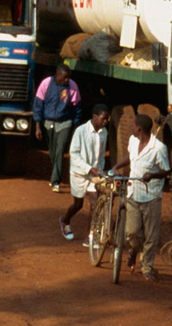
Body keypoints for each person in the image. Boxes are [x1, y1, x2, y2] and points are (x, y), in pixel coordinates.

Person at [114, 112, 169, 282]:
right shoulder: (133, 140)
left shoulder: (158, 148)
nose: (131, 127)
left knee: (151, 236)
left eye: (133, 125)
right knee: (132, 233)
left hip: (151, 196)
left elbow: (166, 170)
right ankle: (133, 251)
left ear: (139, 129)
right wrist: (116, 166)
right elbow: (130, 157)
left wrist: (152, 175)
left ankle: (147, 267)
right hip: (133, 193)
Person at [59, 102, 110, 240]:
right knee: (78, 204)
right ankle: (65, 220)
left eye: (107, 119)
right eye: (103, 118)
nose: (105, 122)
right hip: (79, 174)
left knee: (95, 203)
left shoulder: (104, 132)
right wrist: (89, 168)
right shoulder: (80, 131)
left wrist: (99, 169)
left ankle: (90, 236)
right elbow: (74, 154)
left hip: (94, 175)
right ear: (94, 116)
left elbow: (101, 155)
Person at [32, 64, 82, 192]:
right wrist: (37, 125)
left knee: (60, 151)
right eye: (64, 77)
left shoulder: (72, 86)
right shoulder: (46, 83)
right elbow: (38, 105)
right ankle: (56, 173)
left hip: (65, 123)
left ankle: (55, 182)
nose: (66, 80)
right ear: (57, 75)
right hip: (48, 123)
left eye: (68, 77)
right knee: (52, 152)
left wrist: (75, 125)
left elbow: (77, 107)